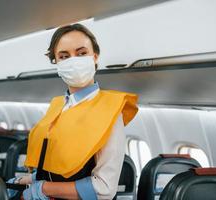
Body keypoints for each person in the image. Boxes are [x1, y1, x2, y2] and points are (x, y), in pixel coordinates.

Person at [12, 23, 138, 200]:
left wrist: (44, 189)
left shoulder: (109, 111)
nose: (73, 61)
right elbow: (59, 167)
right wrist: (28, 180)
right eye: (64, 56)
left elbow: (104, 189)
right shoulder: (58, 106)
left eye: (81, 53)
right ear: (56, 63)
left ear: (94, 57)